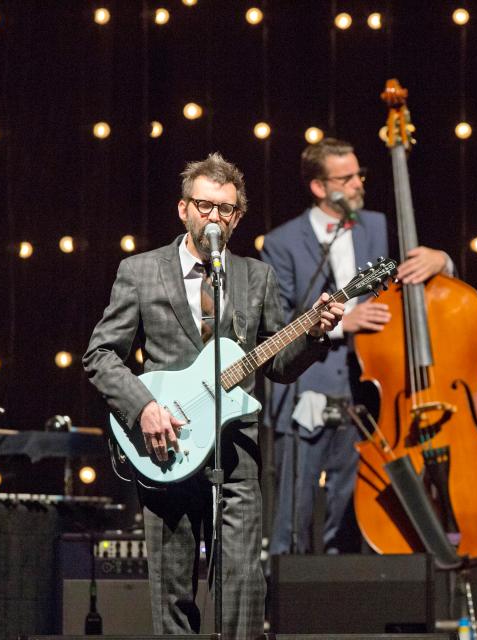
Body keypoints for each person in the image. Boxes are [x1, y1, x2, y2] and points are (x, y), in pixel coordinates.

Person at [83, 152, 343, 639]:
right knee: (173, 591)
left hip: (236, 450)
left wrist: (313, 333)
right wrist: (144, 409)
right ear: (183, 209)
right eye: (204, 206)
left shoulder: (255, 276)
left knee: (243, 586)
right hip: (166, 446)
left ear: (237, 218)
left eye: (225, 209)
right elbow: (101, 355)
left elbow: (279, 365)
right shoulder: (140, 271)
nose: (214, 217)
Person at [261, 137, 453, 555]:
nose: (357, 184)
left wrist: (442, 261)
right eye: (346, 178)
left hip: (366, 394)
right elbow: (275, 322)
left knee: (349, 519)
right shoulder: (281, 242)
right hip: (304, 391)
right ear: (318, 187)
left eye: (359, 175)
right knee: (292, 522)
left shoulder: (379, 225)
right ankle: (281, 615)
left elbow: (418, 276)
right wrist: (342, 323)